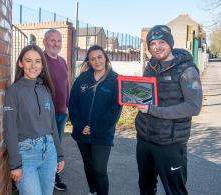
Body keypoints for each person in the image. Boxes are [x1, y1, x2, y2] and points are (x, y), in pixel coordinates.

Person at [135, 25, 203, 195]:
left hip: (170, 143)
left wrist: (152, 110)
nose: (157, 47)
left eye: (162, 42)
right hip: (145, 139)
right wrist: (131, 95)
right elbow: (146, 94)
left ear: (170, 43)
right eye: (153, 43)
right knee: (145, 186)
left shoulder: (187, 70)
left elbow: (193, 107)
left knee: (175, 190)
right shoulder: (151, 65)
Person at [3, 44, 65, 195]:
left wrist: (59, 153)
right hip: (26, 155)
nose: (33, 66)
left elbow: (52, 125)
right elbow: (10, 129)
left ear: (43, 65)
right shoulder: (14, 91)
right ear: (20, 63)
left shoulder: (45, 89)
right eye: (28, 60)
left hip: (49, 151)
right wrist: (15, 164)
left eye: (38, 61)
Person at [69, 45, 122, 195]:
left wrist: (96, 128)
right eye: (92, 59)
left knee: (99, 169)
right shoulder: (82, 78)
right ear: (89, 61)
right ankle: (93, 191)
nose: (97, 61)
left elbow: (115, 110)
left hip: (102, 134)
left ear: (105, 57)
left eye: (99, 57)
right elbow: (73, 104)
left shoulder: (115, 80)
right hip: (82, 132)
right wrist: (80, 126)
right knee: (88, 165)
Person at [43, 29, 69, 191]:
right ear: (45, 41)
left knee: (57, 145)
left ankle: (54, 175)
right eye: (52, 40)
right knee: (46, 146)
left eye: (59, 41)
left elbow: (66, 85)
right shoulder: (40, 61)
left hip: (62, 113)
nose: (56, 44)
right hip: (46, 115)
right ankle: (47, 176)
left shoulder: (62, 61)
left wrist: (67, 106)